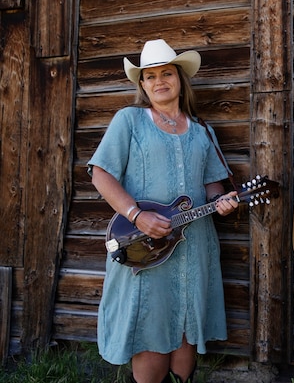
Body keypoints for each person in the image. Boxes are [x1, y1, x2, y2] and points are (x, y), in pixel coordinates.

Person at [88, 39, 238, 383]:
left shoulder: (203, 131)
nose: (159, 81)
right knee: (150, 321)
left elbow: (213, 188)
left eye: (166, 73)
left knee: (186, 318)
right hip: (145, 242)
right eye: (150, 76)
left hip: (194, 241)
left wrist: (223, 204)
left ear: (180, 79)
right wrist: (137, 216)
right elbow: (100, 173)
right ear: (142, 84)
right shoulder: (129, 121)